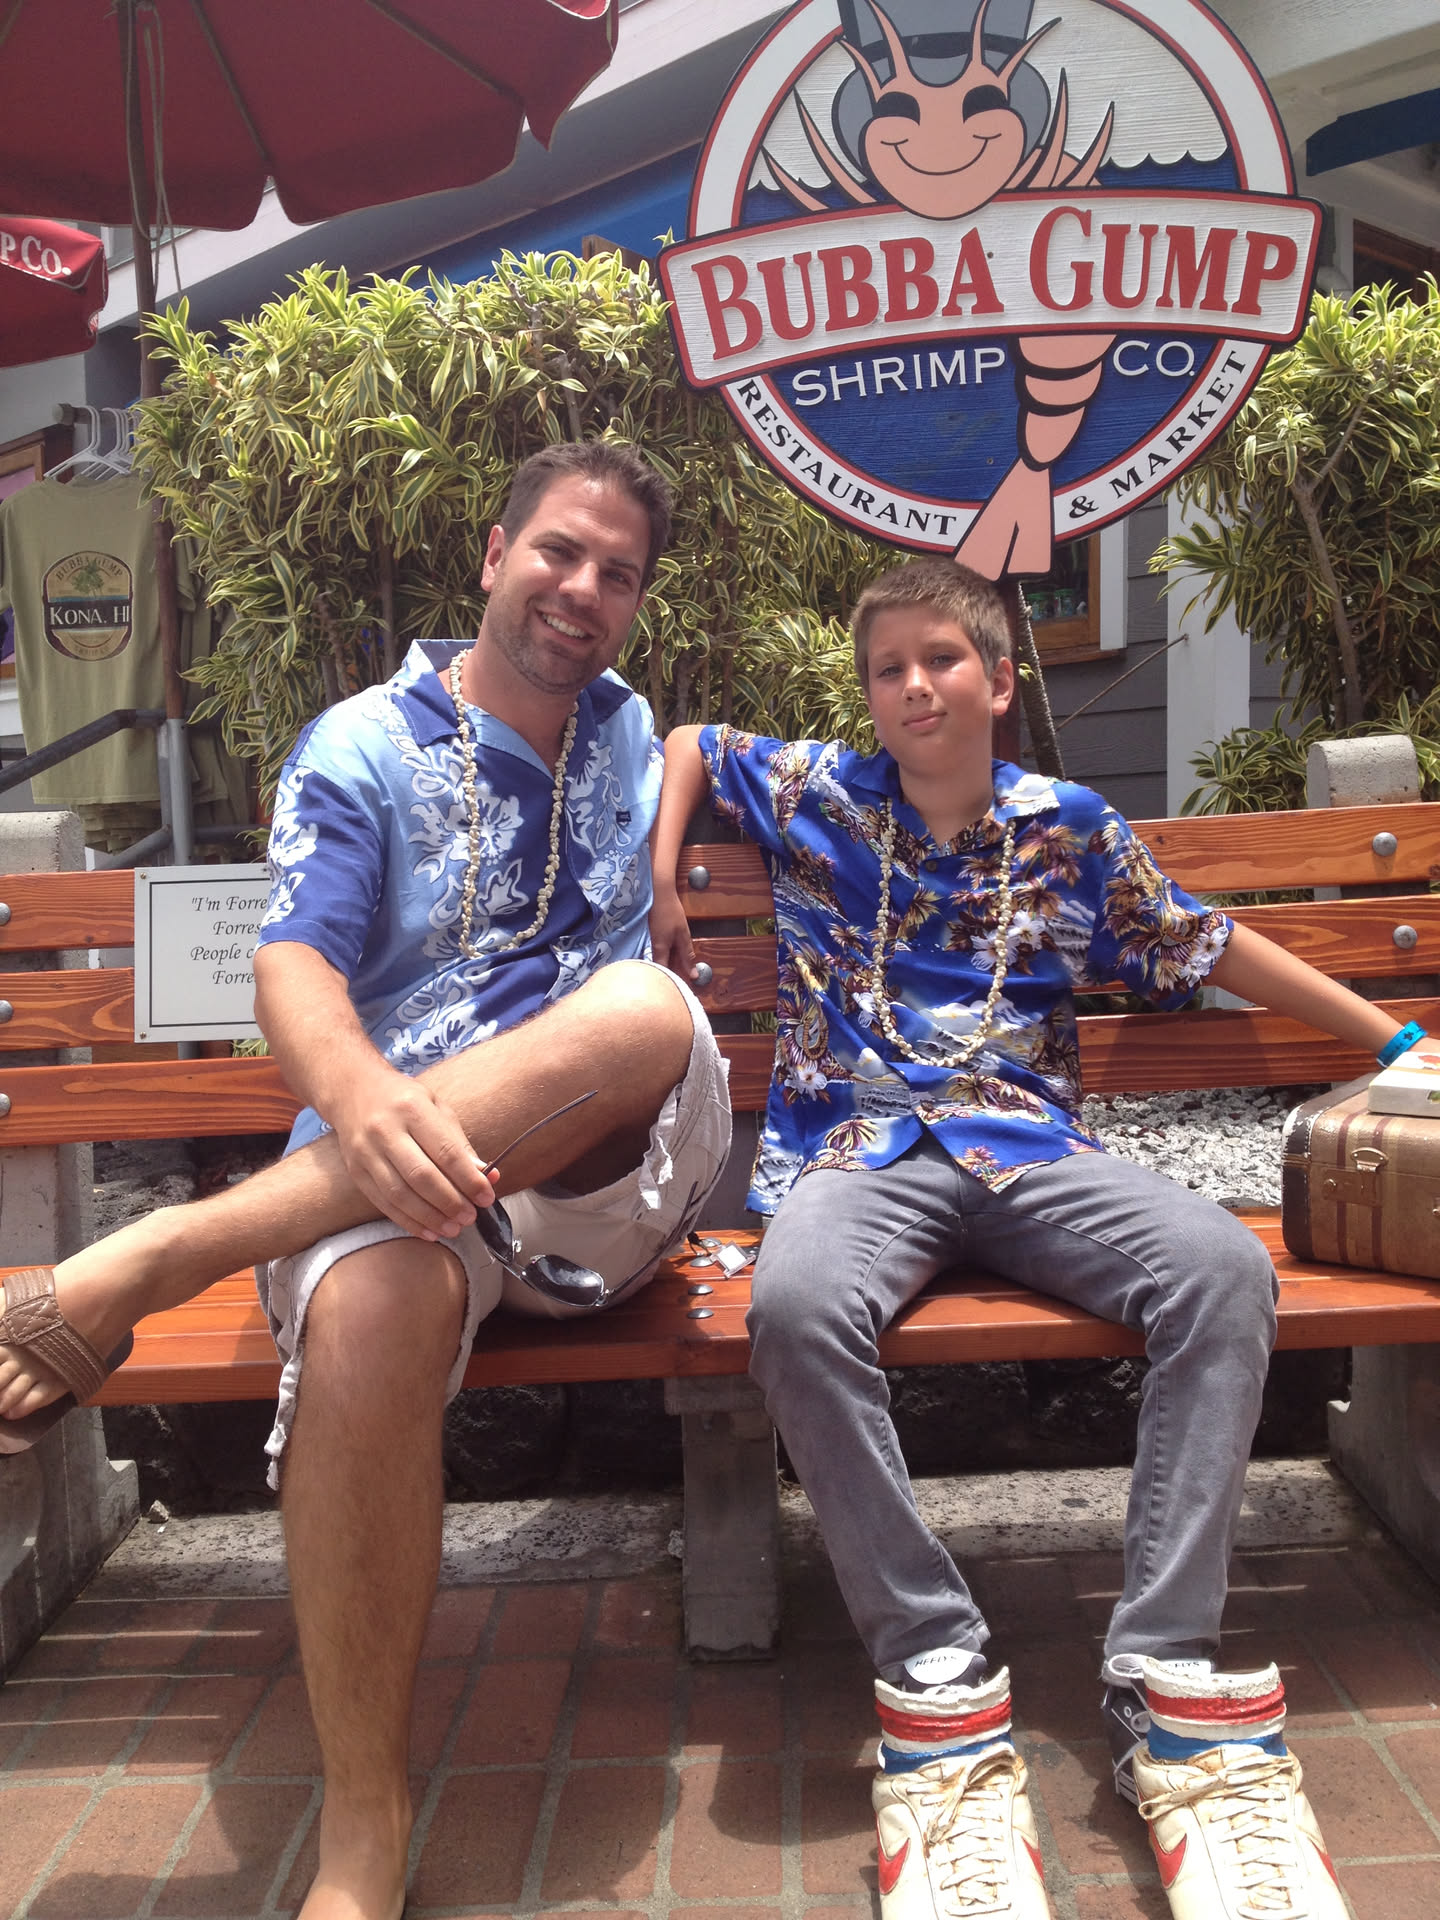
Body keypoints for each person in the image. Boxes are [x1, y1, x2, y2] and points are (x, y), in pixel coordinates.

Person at [0, 439, 732, 1920]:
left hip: (613, 1173)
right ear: (494, 553)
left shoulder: (630, 730)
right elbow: (292, 962)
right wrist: (361, 1096)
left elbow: (713, 747)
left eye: (619, 573)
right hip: (397, 1172)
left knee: (648, 1011)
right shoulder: (361, 746)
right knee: (365, 1313)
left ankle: (161, 1256)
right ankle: (365, 1822)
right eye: (559, 551)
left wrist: (661, 862)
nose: (583, 589)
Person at [649, 556, 1394, 1920]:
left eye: (942, 659)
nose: (915, 685)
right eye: (888, 669)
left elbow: (1206, 942)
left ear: (998, 681)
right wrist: (661, 874)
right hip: (856, 1154)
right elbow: (691, 739)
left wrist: (1392, 1039)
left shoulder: (1071, 830)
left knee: (1222, 1272)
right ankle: (932, 1657)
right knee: (794, 1310)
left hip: (1030, 1152)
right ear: (870, 696)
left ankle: (1164, 1661)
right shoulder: (819, 795)